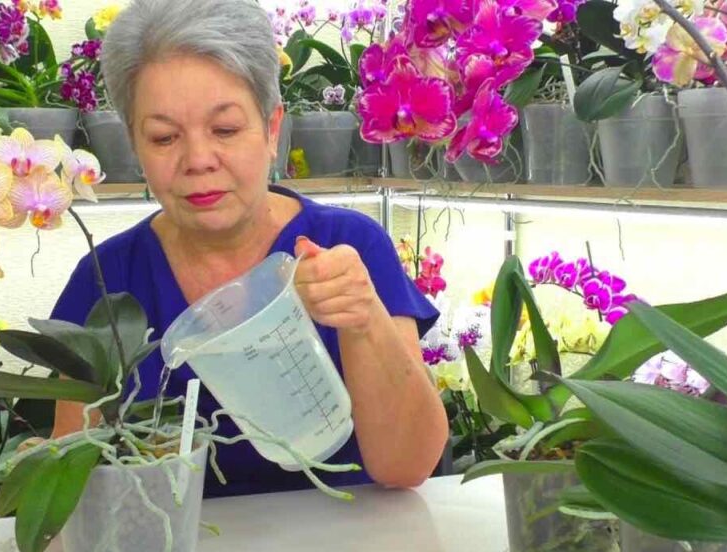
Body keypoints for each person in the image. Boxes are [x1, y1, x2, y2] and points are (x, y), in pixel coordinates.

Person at [48, 0, 448, 498]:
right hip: (177, 539)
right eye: (164, 137)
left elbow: (408, 465)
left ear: (272, 129)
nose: (198, 160)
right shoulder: (108, 278)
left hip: (351, 537)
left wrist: (364, 317)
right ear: (134, 144)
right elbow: (75, 471)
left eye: (225, 130)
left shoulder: (348, 246)